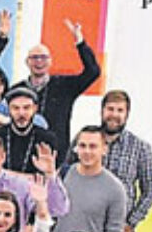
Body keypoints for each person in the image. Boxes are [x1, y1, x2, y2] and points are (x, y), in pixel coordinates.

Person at [10, 19, 101, 149]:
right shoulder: (16, 90)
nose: (39, 61)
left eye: (44, 57)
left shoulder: (65, 86)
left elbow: (93, 72)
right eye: (34, 57)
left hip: (57, 152)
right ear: (27, 62)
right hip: (23, 151)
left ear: (51, 61)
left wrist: (80, 43)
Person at [47, 127, 126, 232]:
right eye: (82, 146)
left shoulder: (115, 189)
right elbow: (47, 219)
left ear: (104, 149)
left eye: (93, 146)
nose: (87, 151)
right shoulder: (62, 176)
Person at [99, 90, 152, 232]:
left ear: (127, 114)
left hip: (120, 230)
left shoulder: (140, 147)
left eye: (120, 110)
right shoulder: (87, 141)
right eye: (110, 109)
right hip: (89, 226)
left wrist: (131, 222)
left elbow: (150, 189)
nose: (114, 115)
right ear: (102, 111)